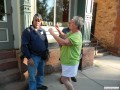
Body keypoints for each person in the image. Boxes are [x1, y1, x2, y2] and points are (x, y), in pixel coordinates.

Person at [49, 16, 84, 90]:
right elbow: (64, 36)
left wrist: (52, 33)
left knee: (63, 79)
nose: (69, 23)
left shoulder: (76, 36)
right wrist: (58, 29)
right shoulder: (73, 32)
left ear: (76, 25)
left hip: (70, 62)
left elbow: (64, 42)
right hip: (67, 61)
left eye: (72, 22)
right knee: (68, 78)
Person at [21, 13, 48, 90]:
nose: (37, 22)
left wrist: (46, 52)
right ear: (33, 21)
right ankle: (32, 88)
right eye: (35, 20)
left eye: (39, 20)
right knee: (32, 75)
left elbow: (45, 42)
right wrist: (29, 58)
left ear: (41, 22)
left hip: (42, 56)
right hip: (33, 57)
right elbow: (24, 46)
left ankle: (39, 85)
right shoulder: (27, 31)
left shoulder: (42, 30)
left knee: (41, 72)